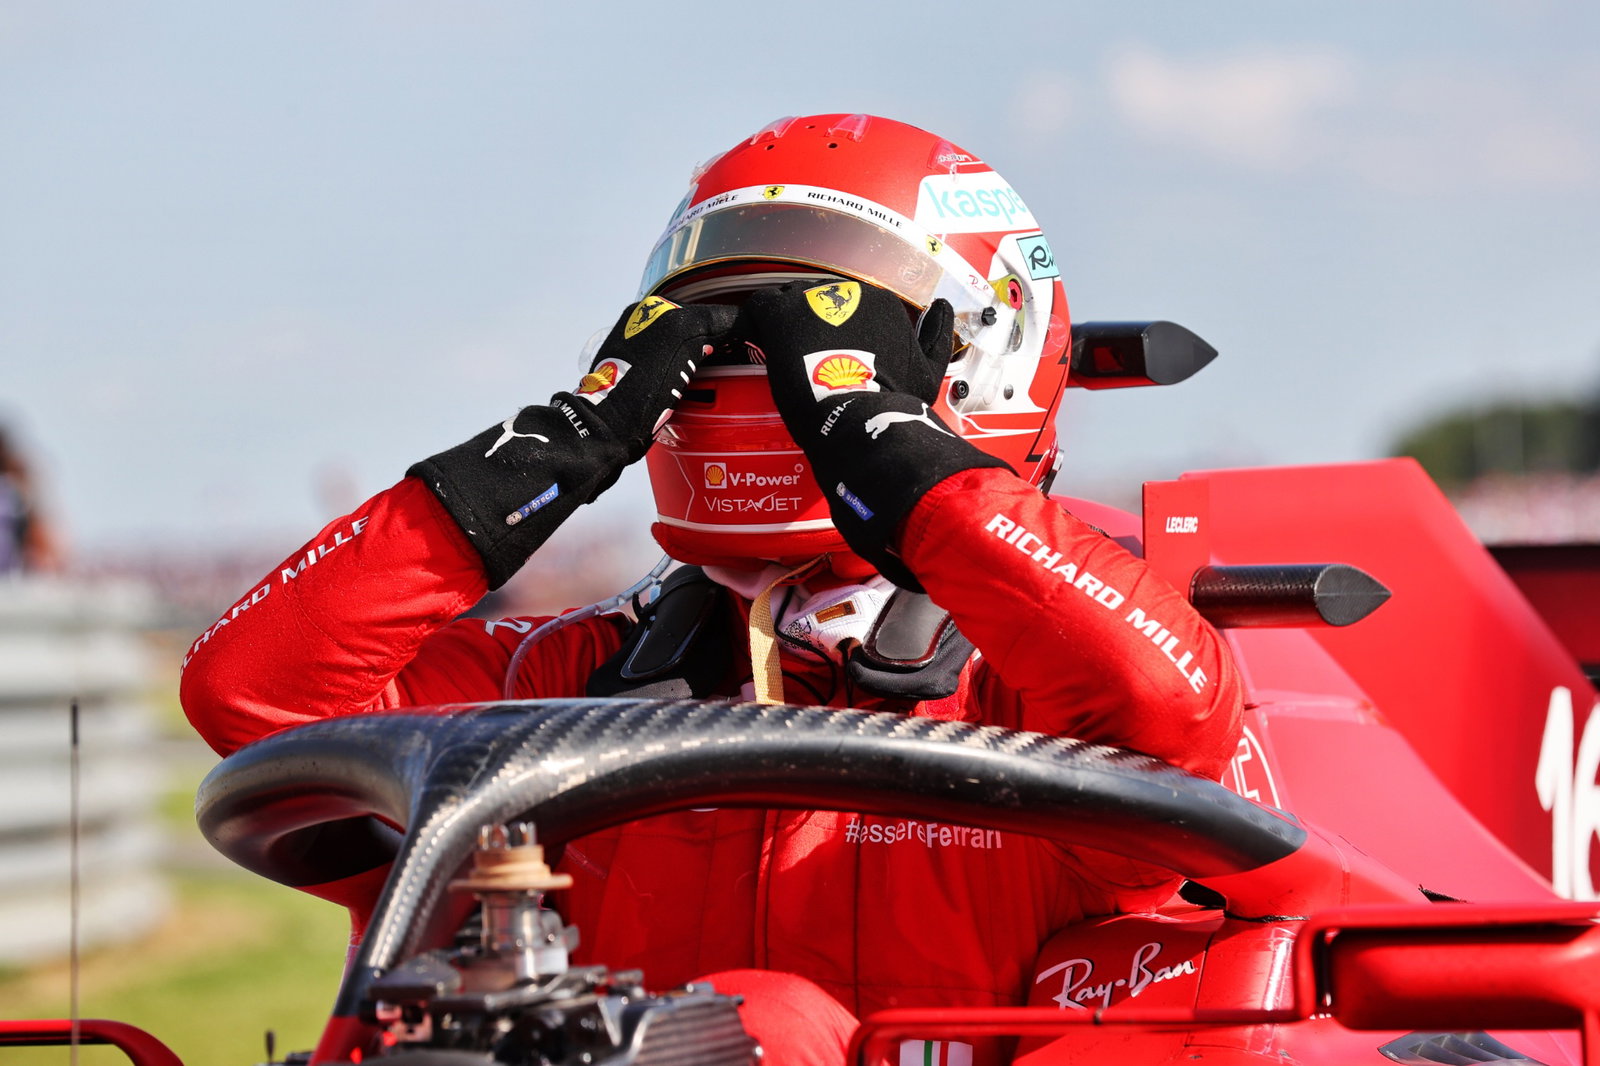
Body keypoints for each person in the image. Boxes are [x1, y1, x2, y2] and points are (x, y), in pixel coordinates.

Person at [180, 114, 1243, 1065]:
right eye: (719, 326)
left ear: (973, 350)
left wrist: (893, 458)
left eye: (810, 327)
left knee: (764, 1021)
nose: (752, 361)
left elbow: (1172, 709)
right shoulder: (556, 678)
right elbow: (255, 699)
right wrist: (547, 453)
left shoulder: (1045, 690)